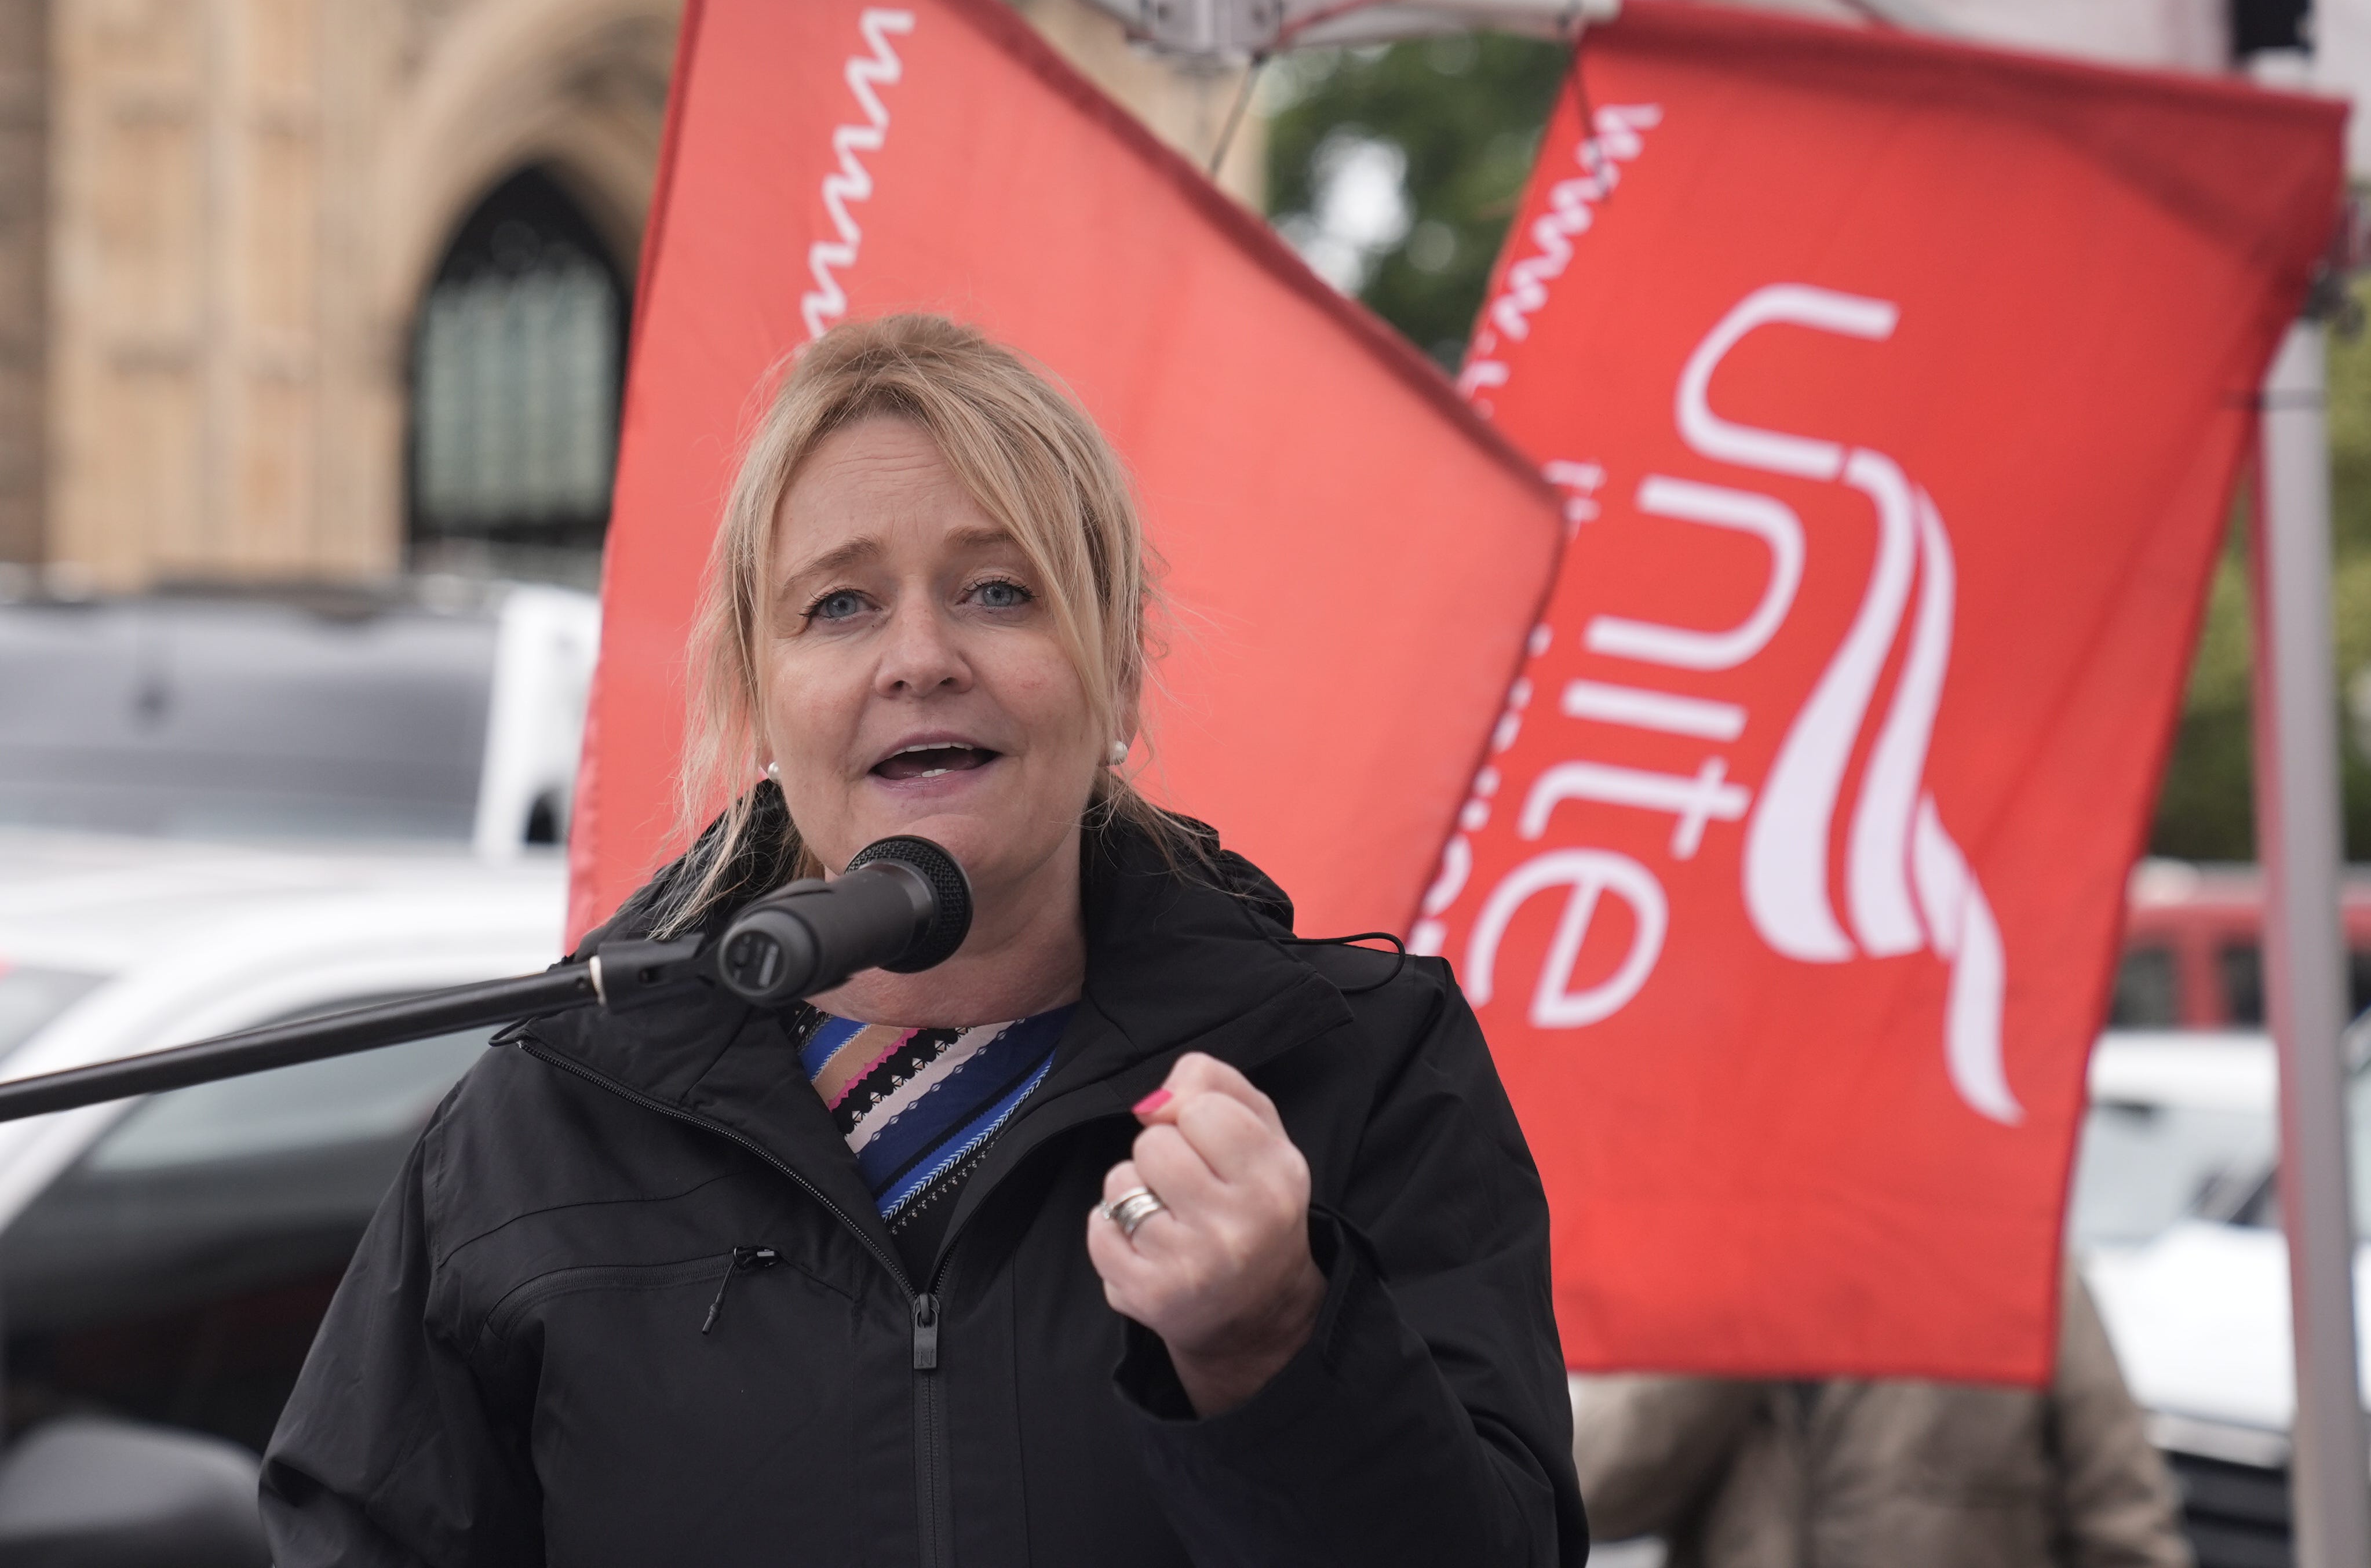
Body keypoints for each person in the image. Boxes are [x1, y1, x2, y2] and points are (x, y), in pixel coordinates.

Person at [259, 313, 1585, 1566]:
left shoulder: (1361, 1067)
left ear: (1117, 665)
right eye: (839, 606)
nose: (919, 655)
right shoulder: (544, 1111)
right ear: (761, 697)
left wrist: (1274, 1344)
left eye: (999, 590)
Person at [1568, 1268, 2190, 1568]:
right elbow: (1595, 1495)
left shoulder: (2024, 1282)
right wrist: (1742, 1321)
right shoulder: (1717, 1281)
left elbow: (2126, 1532)